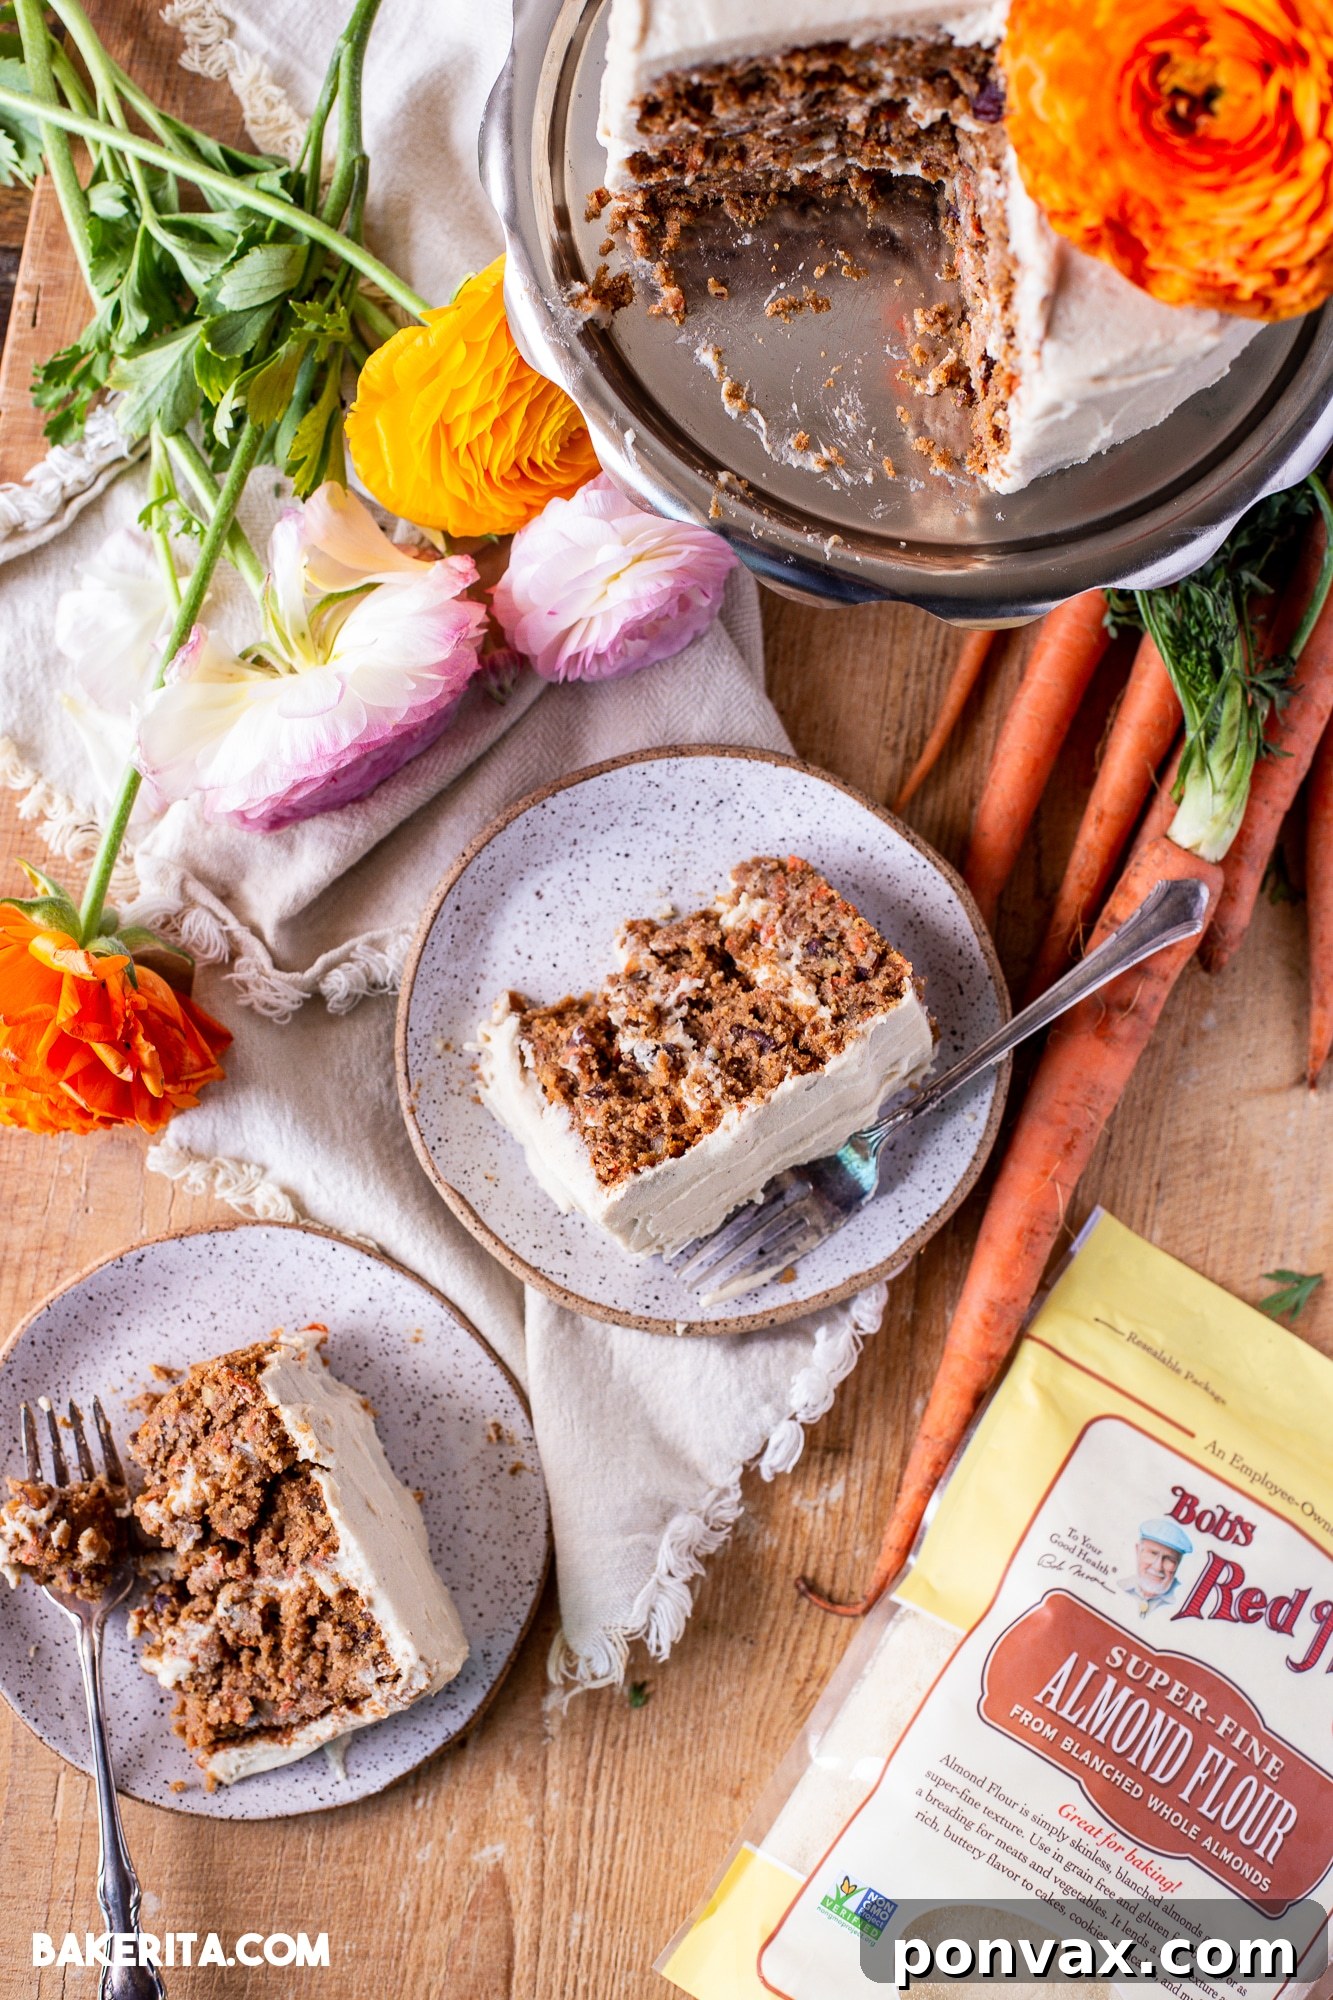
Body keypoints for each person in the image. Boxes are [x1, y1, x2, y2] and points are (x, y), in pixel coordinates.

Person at [1118, 1516, 1192, 1617]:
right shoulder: (1120, 1586)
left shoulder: (1182, 1602)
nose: (1158, 1567)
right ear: (1138, 1550)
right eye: (1153, 1554)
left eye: (1169, 1559)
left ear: (1178, 1564)